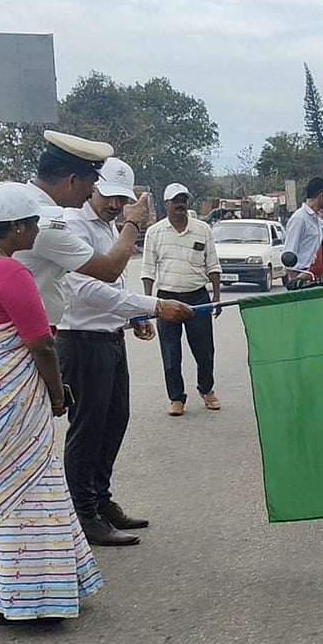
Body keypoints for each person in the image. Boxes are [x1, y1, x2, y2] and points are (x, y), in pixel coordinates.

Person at [0, 182, 102, 624]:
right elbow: (40, 344)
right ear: (15, 227)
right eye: (34, 223)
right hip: (11, 394)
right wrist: (59, 395)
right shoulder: (11, 272)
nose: (38, 231)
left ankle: (4, 593)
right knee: (33, 489)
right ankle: (37, 598)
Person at [58, 164, 195, 545]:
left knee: (113, 423)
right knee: (86, 430)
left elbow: (114, 287)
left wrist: (134, 316)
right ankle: (83, 513)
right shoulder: (73, 226)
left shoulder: (106, 228)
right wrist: (152, 306)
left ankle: (101, 501)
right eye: (110, 196)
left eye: (123, 199)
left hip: (109, 339)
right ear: (90, 189)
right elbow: (86, 291)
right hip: (80, 340)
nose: (116, 205)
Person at [16, 130, 148, 327]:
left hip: (42, 333)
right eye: (92, 186)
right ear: (72, 181)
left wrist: (130, 317)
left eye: (121, 199)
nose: (114, 204)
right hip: (50, 336)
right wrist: (133, 223)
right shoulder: (47, 223)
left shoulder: (29, 206)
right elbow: (108, 271)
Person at [141, 182, 223, 417]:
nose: (180, 205)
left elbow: (213, 264)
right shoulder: (155, 232)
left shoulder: (202, 229)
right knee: (171, 354)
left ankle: (207, 390)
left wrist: (216, 296)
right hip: (166, 300)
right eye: (175, 201)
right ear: (166, 204)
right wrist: (149, 305)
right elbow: (148, 270)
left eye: (183, 200)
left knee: (205, 351)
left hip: (198, 298)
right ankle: (176, 398)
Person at [283, 177, 323, 283]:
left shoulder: (316, 219)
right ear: (322, 195)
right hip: (301, 276)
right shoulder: (299, 219)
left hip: (316, 277)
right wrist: (294, 281)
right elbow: (289, 253)